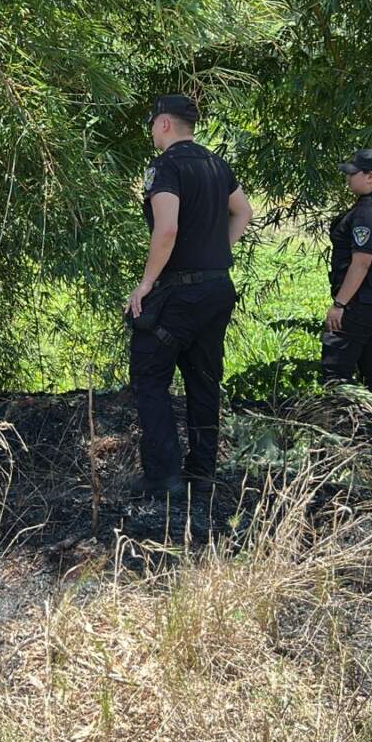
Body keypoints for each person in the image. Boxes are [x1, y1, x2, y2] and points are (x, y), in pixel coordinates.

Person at [126, 94, 252, 501]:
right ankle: (202, 472)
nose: (151, 132)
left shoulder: (165, 167)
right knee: (203, 380)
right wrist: (219, 253)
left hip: (178, 291)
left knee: (150, 377)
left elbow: (166, 230)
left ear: (163, 124)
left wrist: (146, 284)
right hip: (217, 289)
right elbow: (244, 212)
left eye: (151, 124)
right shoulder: (216, 164)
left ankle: (163, 477)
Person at [321, 148, 372, 401]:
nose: (348, 178)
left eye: (353, 173)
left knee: (336, 371)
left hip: (363, 300)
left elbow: (361, 264)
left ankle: (343, 427)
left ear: (370, 176)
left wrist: (339, 304)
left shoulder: (367, 213)